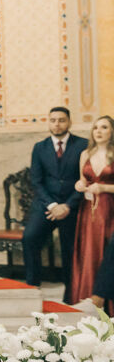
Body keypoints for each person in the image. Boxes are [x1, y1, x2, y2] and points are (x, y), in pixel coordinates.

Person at [22, 107, 87, 300]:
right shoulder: (39, 147)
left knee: (70, 248)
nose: (57, 124)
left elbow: (85, 179)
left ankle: (71, 293)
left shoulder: (83, 145)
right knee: (30, 237)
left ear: (69, 122)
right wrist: (52, 205)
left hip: (72, 206)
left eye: (61, 120)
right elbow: (36, 181)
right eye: (53, 120)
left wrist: (67, 206)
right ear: (48, 122)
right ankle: (32, 285)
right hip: (46, 206)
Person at [70, 116, 114, 304]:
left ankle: (106, 299)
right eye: (96, 127)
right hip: (89, 209)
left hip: (110, 207)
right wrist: (79, 185)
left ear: (112, 131)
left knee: (108, 252)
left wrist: (103, 188)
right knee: (90, 250)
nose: (99, 131)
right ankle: (89, 297)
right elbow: (83, 180)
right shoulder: (85, 154)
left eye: (104, 127)